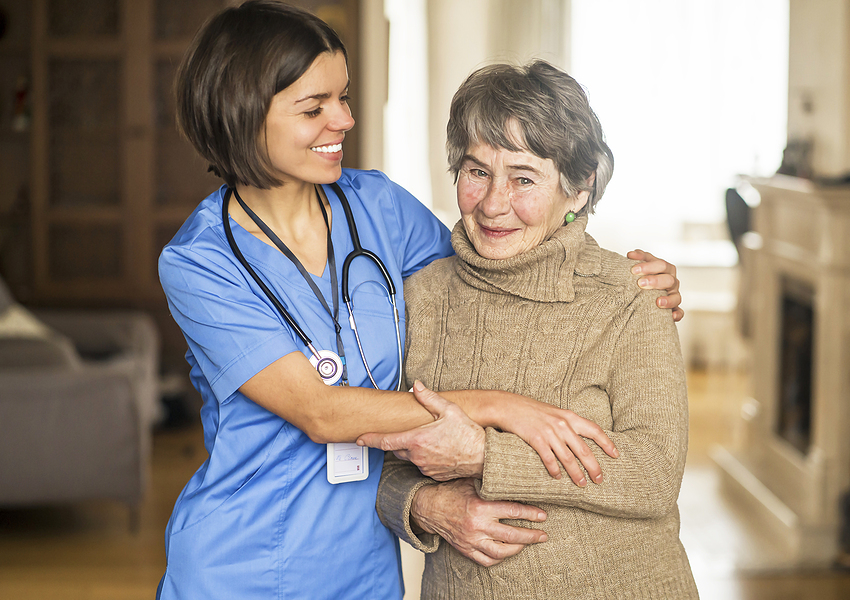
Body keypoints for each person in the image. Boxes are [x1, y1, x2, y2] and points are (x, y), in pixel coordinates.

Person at [155, 2, 683, 598]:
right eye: (314, 107)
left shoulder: (378, 206)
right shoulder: (201, 260)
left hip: (364, 563)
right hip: (245, 560)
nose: (344, 120)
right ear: (241, 115)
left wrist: (620, 278)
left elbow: (498, 262)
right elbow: (321, 413)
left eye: (344, 97)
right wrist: (501, 408)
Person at [368, 61, 699, 599]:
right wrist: (424, 505)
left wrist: (486, 458)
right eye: (477, 172)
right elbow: (370, 451)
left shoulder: (630, 295)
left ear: (579, 188)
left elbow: (654, 473)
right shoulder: (418, 295)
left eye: (523, 178)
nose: (495, 204)